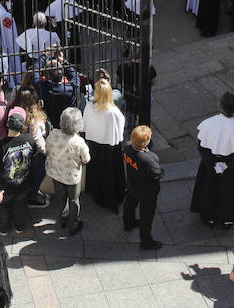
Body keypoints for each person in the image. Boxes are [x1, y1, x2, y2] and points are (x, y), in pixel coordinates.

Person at [190, 92, 234, 229]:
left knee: (209, 189)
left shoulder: (208, 124)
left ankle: (210, 217)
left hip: (210, 163)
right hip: (231, 165)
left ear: (220, 106)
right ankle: (228, 219)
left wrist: (213, 164)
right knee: (230, 191)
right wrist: (227, 165)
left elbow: (202, 147)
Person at [45, 107, 91, 235]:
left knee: (61, 198)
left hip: (56, 173)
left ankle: (63, 218)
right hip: (72, 177)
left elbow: (47, 148)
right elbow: (86, 159)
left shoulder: (54, 133)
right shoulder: (79, 142)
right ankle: (73, 223)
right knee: (73, 200)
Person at [82, 79, 126, 211]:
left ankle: (96, 192)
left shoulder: (89, 107)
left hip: (95, 145)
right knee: (110, 174)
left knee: (96, 171)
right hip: (110, 148)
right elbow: (120, 129)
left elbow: (85, 125)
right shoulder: (113, 112)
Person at [122, 125, 163, 250]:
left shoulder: (127, 147)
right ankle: (146, 241)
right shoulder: (150, 158)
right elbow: (157, 173)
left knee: (130, 203)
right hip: (147, 191)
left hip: (132, 184)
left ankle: (128, 223)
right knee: (146, 216)